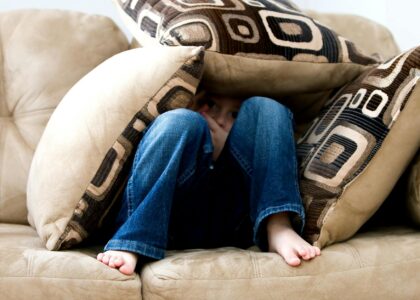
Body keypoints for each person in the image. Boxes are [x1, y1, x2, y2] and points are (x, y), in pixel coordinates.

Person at [97, 89, 321, 275]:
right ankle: (132, 240)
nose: (221, 119)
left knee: (266, 106)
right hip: (173, 218)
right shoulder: (191, 126)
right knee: (179, 120)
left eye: (235, 114)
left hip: (237, 218)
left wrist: (227, 150)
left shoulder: (249, 132)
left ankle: (277, 224)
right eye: (212, 105)